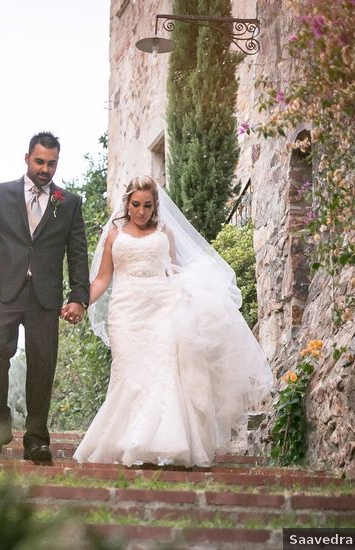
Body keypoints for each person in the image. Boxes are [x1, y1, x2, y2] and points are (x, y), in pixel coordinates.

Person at [74, 175, 272, 467]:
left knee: (163, 372)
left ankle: (164, 443)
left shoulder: (164, 232)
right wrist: (79, 302)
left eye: (147, 205)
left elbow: (174, 271)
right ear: (127, 203)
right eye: (136, 204)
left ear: (155, 206)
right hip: (125, 313)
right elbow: (103, 278)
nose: (141, 211)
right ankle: (127, 441)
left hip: (161, 308)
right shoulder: (114, 236)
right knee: (129, 373)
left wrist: (192, 298)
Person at [0, 131, 89, 463]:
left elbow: (77, 253)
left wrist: (79, 296)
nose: (45, 169)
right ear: (27, 159)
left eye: (51, 163)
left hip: (44, 297)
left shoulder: (69, 202)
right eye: (39, 161)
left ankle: (36, 439)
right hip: (3, 290)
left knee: (42, 364)